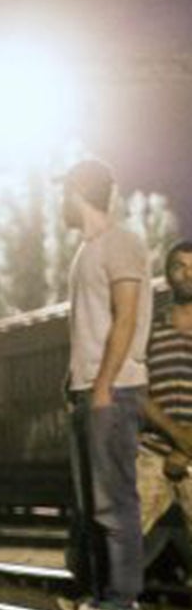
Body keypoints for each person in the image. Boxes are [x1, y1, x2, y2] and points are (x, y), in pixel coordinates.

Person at [57, 159, 154, 610]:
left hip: (112, 390)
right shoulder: (85, 251)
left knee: (114, 497)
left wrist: (103, 385)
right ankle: (97, 595)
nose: (58, 205)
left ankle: (124, 599)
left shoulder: (122, 243)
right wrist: (75, 381)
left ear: (77, 193)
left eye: (62, 194)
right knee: (86, 503)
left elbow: (126, 317)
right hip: (87, 387)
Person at [136, 241, 192, 569]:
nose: (188, 274)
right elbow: (138, 390)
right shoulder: (152, 328)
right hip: (151, 450)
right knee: (122, 530)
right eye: (179, 267)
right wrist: (177, 437)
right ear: (168, 275)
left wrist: (186, 448)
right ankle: (105, 600)